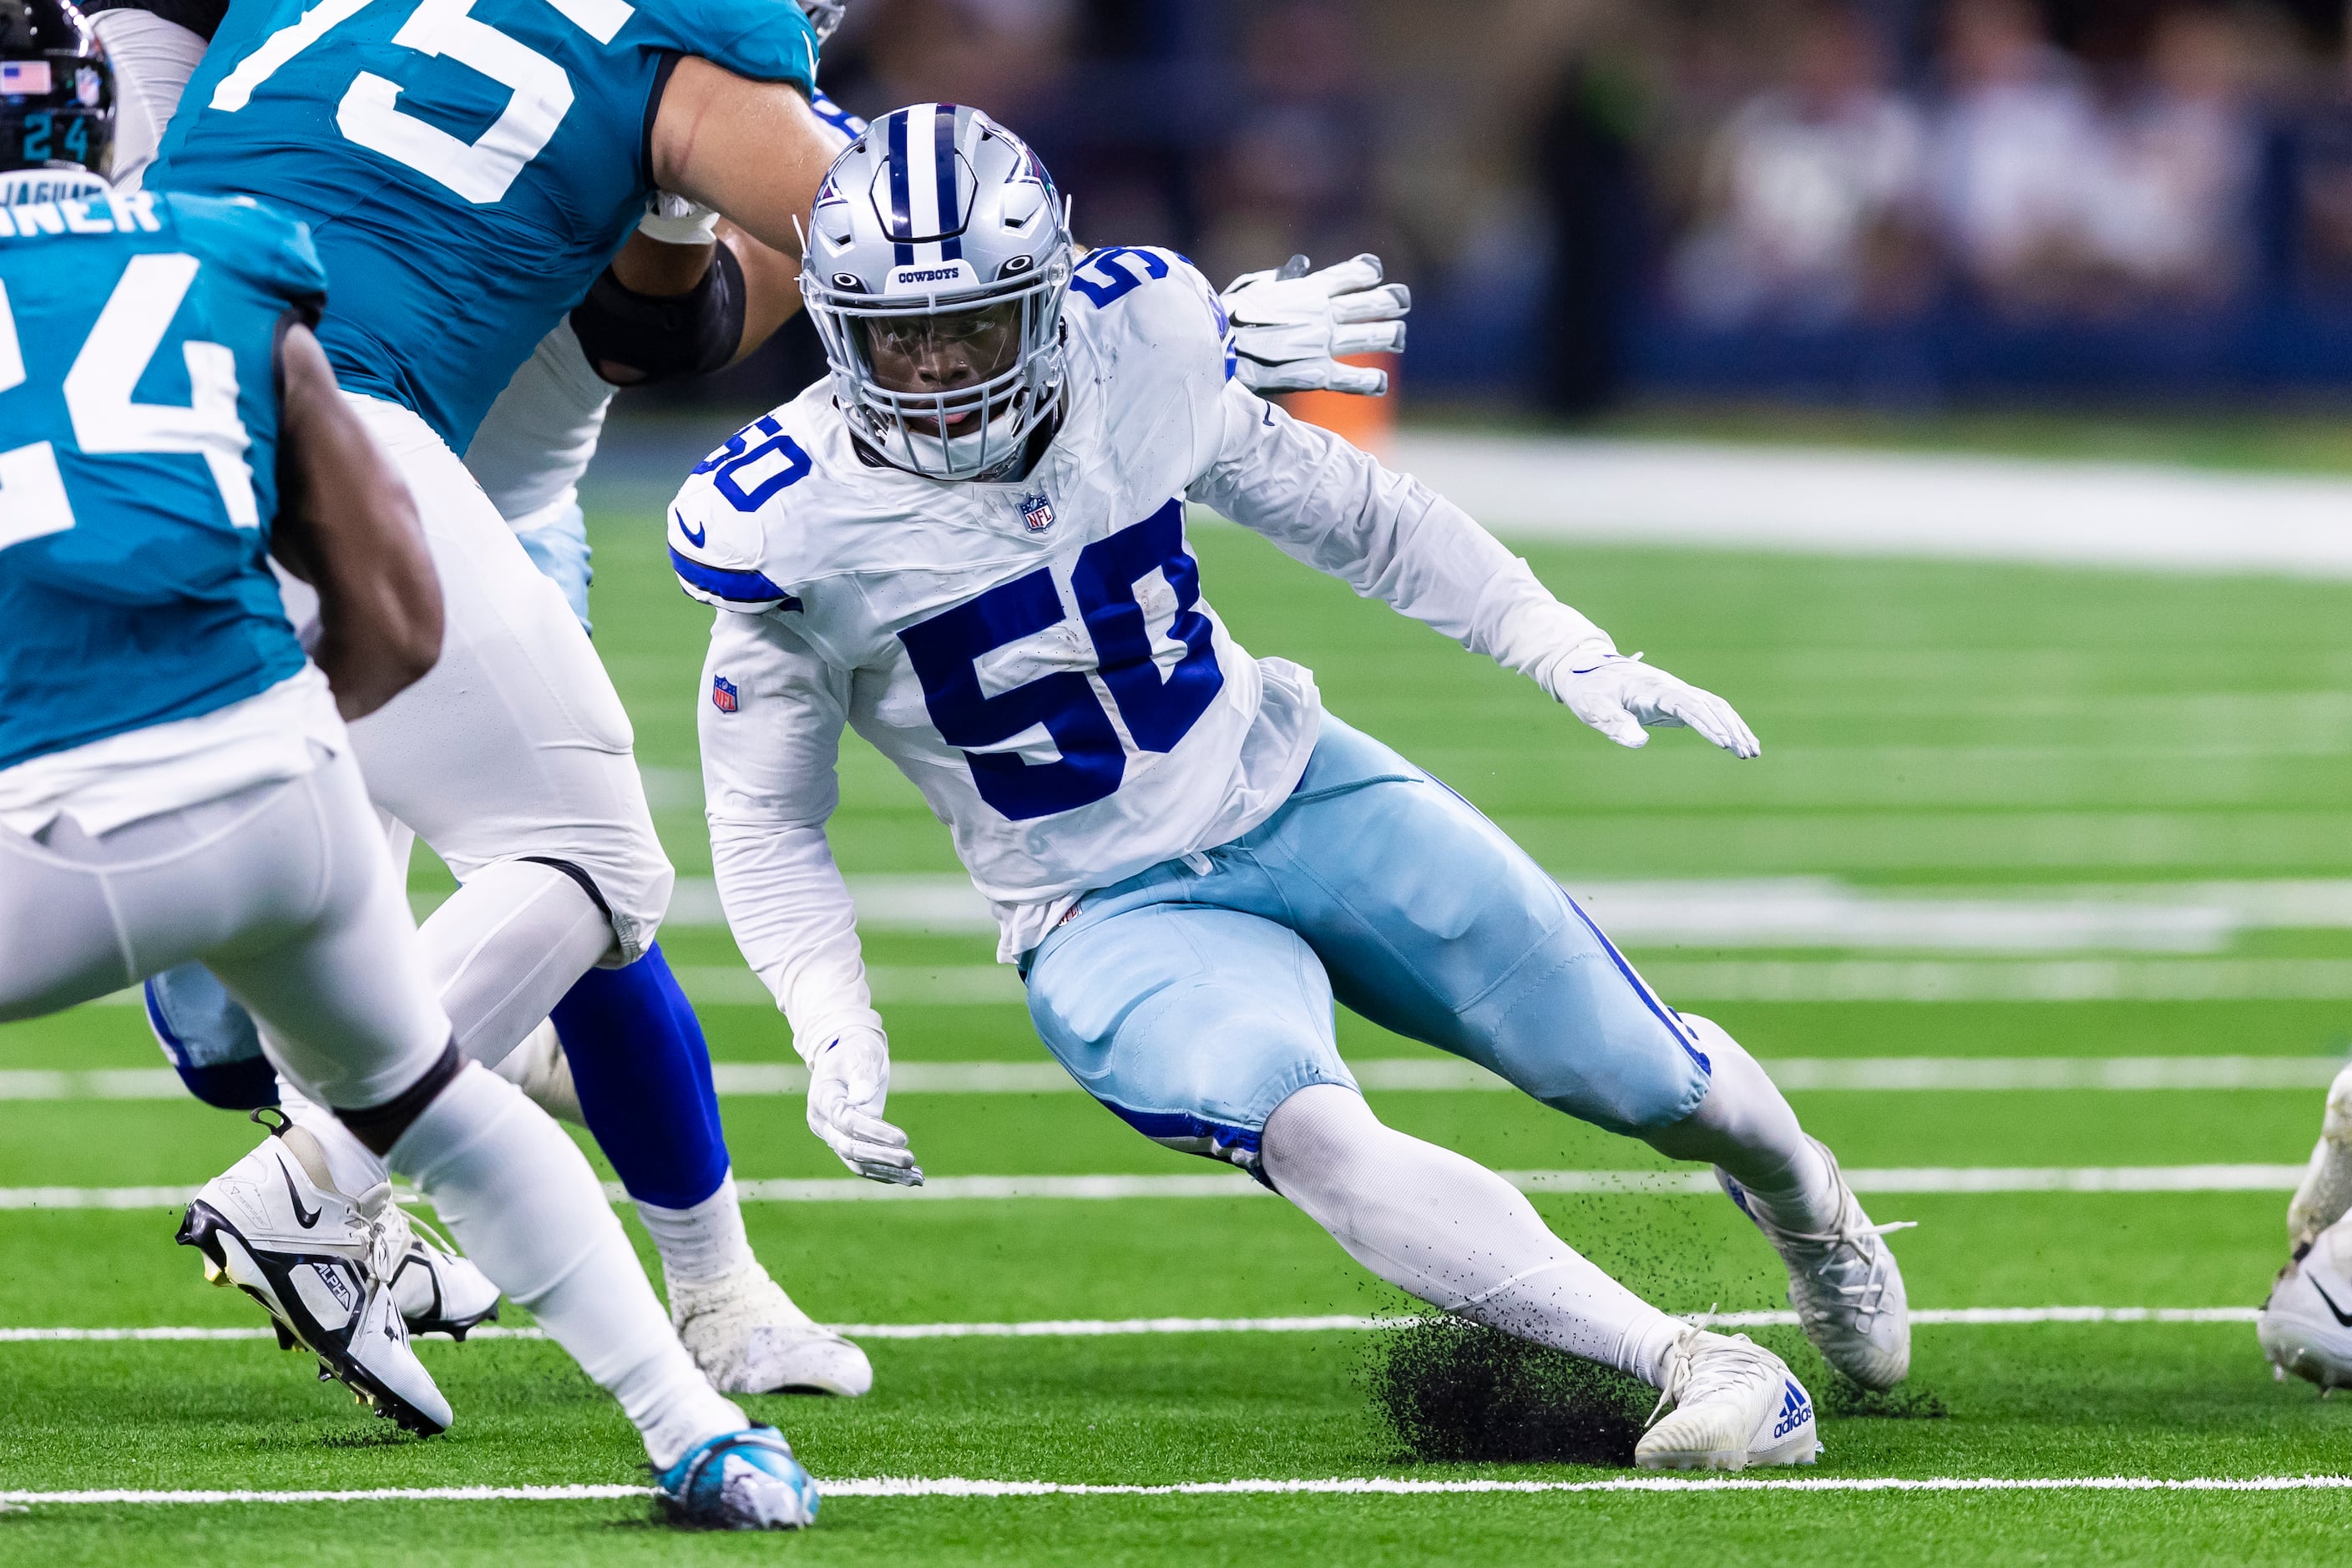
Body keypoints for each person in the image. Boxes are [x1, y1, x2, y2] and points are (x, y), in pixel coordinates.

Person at [86, 0, 1409, 1413]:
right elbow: (918, 265)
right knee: (410, 946)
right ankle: (326, 1171)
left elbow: (666, 319)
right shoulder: (695, 44)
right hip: (346, 432)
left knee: (557, 897)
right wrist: (1182, 327)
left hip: (164, 418)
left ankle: (703, 1288)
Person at [681, 104, 1914, 1471]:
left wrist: (1553, 639)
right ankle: (1693, 1361)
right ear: (836, 325)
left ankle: (1804, 1199)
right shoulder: (782, 523)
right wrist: (827, 1016)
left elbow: (1354, 513)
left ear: (1043, 298)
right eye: (896, 335)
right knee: (1312, 1133)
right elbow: (763, 814)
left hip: (1292, 783)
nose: (935, 369)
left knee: (1650, 1081)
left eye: (970, 325)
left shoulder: (1138, 350)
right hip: (1101, 913)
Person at [0, 0, 813, 1525]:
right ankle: (690, 1426)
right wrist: (312, 751)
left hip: (29, 841)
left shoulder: (231, 143)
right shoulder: (223, 257)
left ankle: (361, 1189)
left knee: (263, 1051)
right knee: (461, 1026)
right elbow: (390, 585)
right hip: (263, 767)